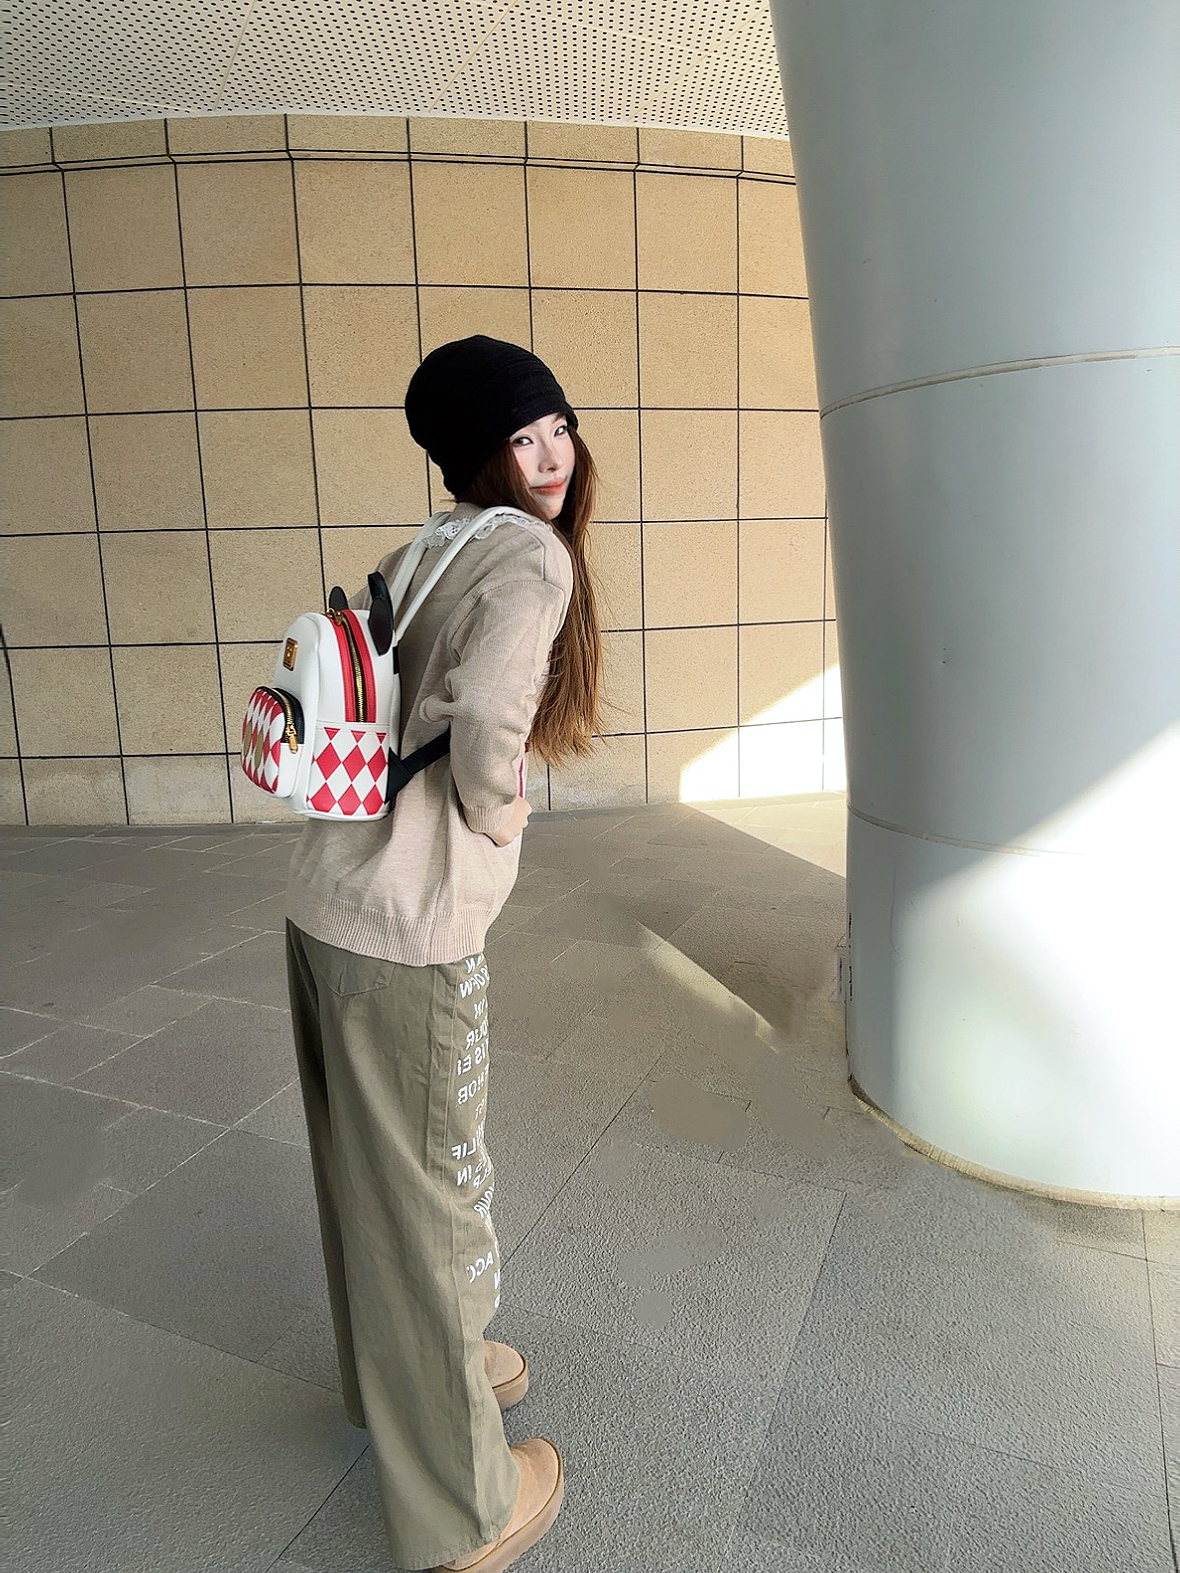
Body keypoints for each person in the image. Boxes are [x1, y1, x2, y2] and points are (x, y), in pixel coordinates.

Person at [283, 335, 603, 1572]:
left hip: (328, 896)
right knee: (430, 1187)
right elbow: (487, 729)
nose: (551, 456)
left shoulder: (427, 544)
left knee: (371, 1180)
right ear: (479, 452)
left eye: (557, 425)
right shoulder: (529, 555)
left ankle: (421, 1374)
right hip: (408, 925)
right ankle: (466, 1508)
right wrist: (501, 814)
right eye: (521, 436)